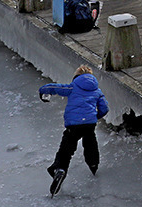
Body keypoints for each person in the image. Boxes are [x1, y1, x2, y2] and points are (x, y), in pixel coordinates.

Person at [40, 64, 108, 196]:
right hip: (89, 124)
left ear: (76, 77)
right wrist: (94, 117)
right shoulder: (97, 91)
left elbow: (55, 88)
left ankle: (60, 169)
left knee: (66, 149)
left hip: (73, 125)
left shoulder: (73, 87)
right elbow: (105, 108)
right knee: (91, 144)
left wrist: (42, 90)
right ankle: (93, 165)